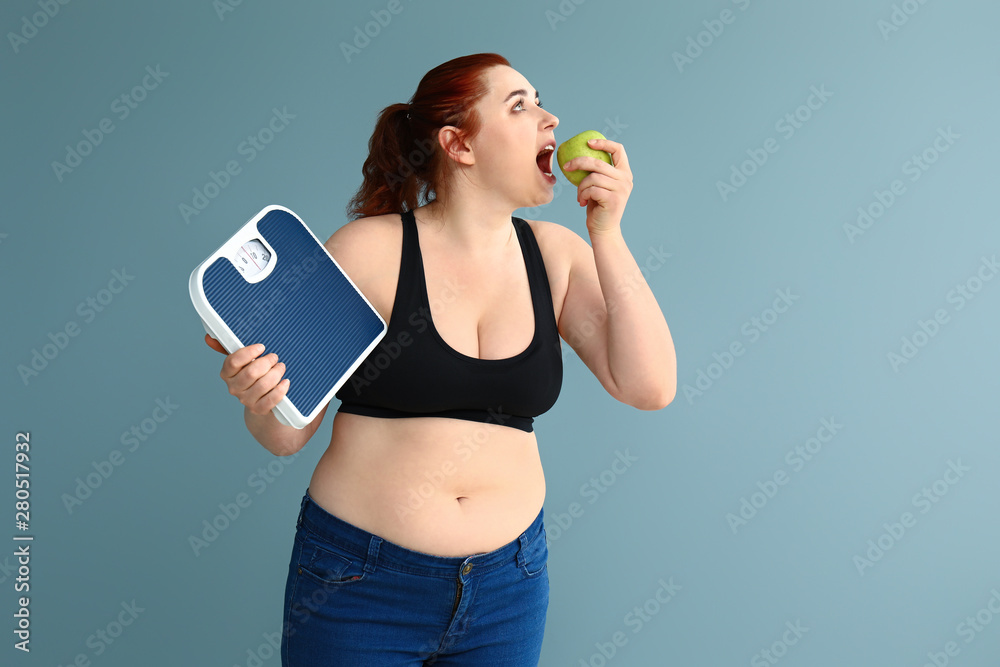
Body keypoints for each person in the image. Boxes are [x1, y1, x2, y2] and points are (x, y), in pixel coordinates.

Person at [204, 52, 676, 666]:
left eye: (539, 99)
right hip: (361, 584)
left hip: (509, 588)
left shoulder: (556, 256)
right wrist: (259, 398)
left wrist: (607, 233)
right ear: (459, 143)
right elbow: (286, 438)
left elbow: (649, 385)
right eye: (520, 105)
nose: (550, 117)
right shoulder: (367, 252)